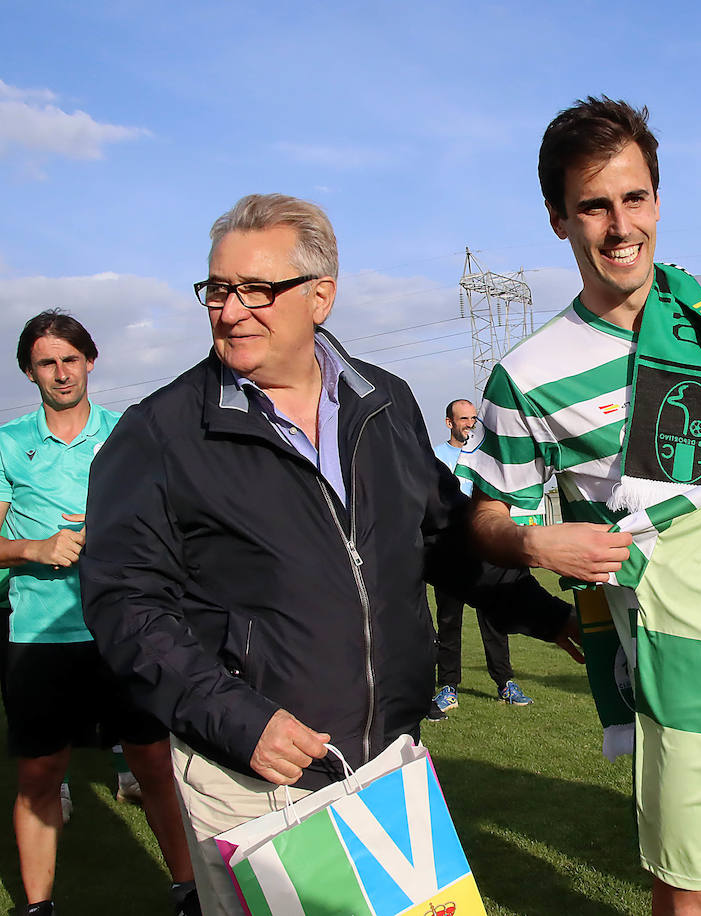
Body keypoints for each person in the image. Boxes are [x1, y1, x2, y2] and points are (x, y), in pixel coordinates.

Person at [78, 194, 579, 916]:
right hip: (255, 777)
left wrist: (547, 616)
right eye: (217, 289)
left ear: (321, 297)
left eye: (256, 289)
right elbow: (125, 605)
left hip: (386, 764)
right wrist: (236, 718)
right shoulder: (159, 433)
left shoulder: (385, 404)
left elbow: (441, 537)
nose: (230, 309)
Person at [465, 97, 701, 916]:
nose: (619, 226)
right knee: (693, 892)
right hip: (674, 653)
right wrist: (541, 548)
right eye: (594, 205)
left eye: (634, 198)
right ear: (558, 219)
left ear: (657, 199)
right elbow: (490, 522)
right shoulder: (527, 374)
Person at [0, 311, 198, 916]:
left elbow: (175, 525)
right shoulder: (9, 443)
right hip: (40, 636)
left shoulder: (129, 434)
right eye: (46, 363)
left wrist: (115, 535)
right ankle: (39, 907)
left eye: (69, 359)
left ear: (90, 361)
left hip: (128, 631)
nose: (61, 373)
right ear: (29, 372)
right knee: (39, 774)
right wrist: (32, 549)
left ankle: (189, 892)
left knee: (153, 765)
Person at [430, 398, 535, 714]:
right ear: (450, 423)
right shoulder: (434, 457)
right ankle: (448, 688)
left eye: (474, 418)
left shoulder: (487, 457)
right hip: (449, 551)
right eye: (464, 419)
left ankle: (505, 684)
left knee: (494, 619)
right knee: (449, 621)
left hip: (486, 549)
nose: (471, 424)